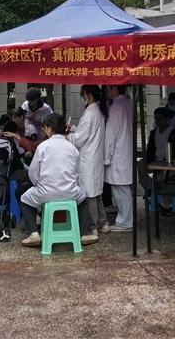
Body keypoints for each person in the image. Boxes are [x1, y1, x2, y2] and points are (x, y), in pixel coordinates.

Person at [20, 113, 97, 248]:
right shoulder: (72, 147)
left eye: (45, 127)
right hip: (69, 192)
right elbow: (76, 173)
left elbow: (33, 172)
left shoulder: (43, 146)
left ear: (50, 128)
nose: (43, 130)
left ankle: (34, 234)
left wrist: (38, 184)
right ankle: (85, 233)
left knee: (24, 199)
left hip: (45, 192)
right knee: (83, 199)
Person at [66, 85, 108, 235]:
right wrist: (74, 129)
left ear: (87, 95)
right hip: (95, 156)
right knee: (96, 192)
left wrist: (66, 136)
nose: (82, 98)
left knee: (89, 193)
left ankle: (92, 227)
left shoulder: (89, 113)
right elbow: (88, 132)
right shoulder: (99, 111)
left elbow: (78, 140)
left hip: (88, 158)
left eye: (82, 95)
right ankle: (103, 223)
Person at [138, 107, 175, 215]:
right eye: (156, 118)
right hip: (155, 161)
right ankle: (151, 189)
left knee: (167, 174)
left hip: (170, 163)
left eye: (161, 118)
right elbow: (149, 150)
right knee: (139, 166)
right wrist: (148, 162)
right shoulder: (154, 133)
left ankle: (166, 204)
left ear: (167, 119)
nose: (158, 121)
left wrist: (163, 163)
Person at [103, 85, 133, 232]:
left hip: (118, 154)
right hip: (125, 151)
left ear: (114, 88)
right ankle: (126, 219)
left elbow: (110, 136)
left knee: (120, 189)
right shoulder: (127, 104)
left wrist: (106, 157)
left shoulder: (115, 108)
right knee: (123, 188)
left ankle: (125, 222)